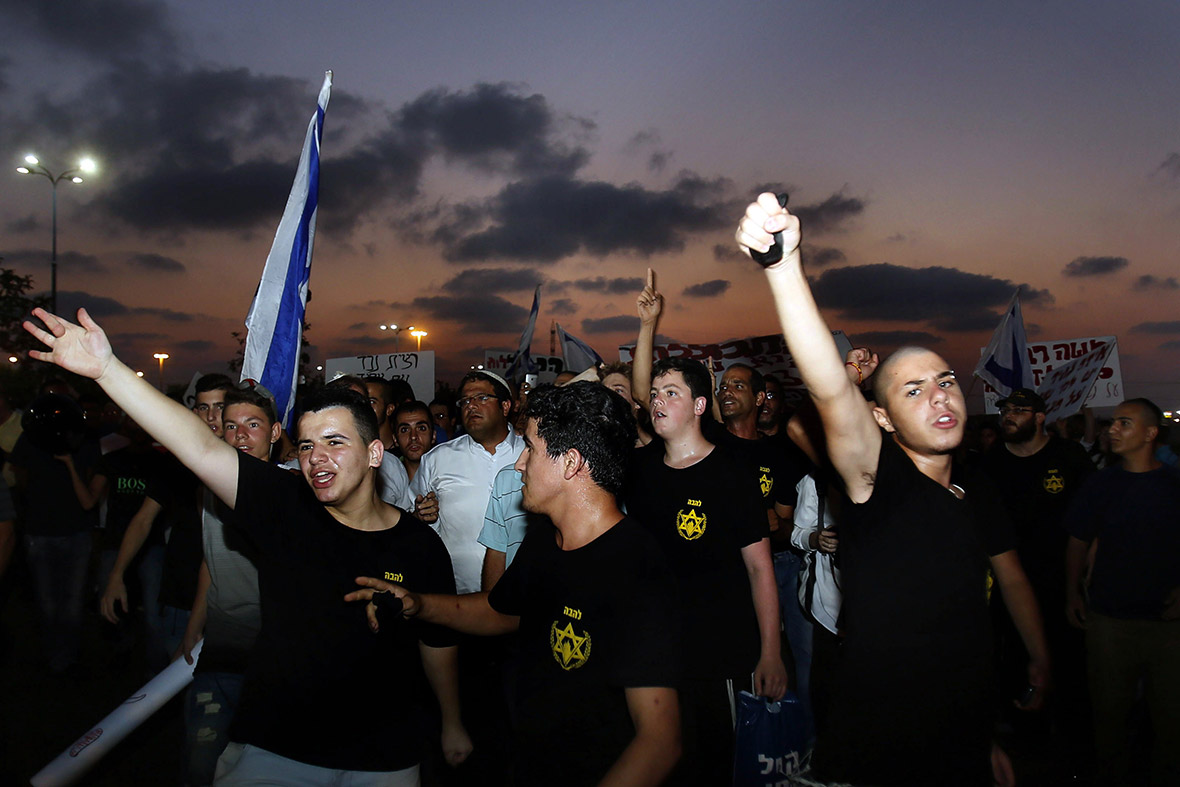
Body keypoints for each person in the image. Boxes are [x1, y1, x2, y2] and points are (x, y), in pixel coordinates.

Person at [24, 307, 468, 785]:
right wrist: (107, 370)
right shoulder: (285, 506)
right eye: (305, 444)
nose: (316, 456)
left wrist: (452, 722)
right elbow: (199, 447)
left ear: (374, 453)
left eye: (335, 442)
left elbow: (436, 643)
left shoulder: (419, 546)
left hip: (386, 756)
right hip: (276, 747)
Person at [737, 192, 1048, 786]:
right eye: (912, 389)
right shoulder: (876, 483)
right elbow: (829, 388)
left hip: (958, 740)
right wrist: (783, 270)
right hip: (883, 752)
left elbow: (963, 635)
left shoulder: (974, 493)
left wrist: (980, 738)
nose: (938, 394)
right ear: (880, 419)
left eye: (946, 380)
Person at [346, 382, 682, 787]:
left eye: (532, 449)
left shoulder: (636, 564)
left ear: (571, 463)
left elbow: (659, 741)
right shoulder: (545, 538)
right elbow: (501, 610)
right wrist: (417, 603)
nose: (520, 463)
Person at [624, 357, 787, 784]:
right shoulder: (640, 472)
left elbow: (759, 569)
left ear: (699, 406)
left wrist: (770, 652)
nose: (657, 401)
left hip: (723, 651)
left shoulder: (734, 474)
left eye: (671, 393)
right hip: (661, 653)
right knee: (673, 762)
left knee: (723, 761)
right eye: (655, 395)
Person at [1064, 398, 1180, 786]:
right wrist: (1072, 594)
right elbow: (1077, 542)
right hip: (1110, 621)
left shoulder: (1173, 485)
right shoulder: (1101, 484)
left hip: (1168, 627)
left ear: (1150, 434)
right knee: (1109, 719)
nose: (1112, 429)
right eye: (1113, 422)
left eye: (1124, 423)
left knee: (1170, 721)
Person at [176, 385, 281, 786]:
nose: (240, 435)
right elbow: (212, 559)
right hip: (219, 653)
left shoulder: (292, 490)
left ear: (274, 433)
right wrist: (192, 628)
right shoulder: (208, 487)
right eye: (231, 425)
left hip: (273, 660)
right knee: (202, 763)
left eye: (253, 425)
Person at [979, 387, 1094, 755]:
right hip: (1009, 587)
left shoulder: (1069, 456)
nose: (1008, 415)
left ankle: (1075, 747)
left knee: (1070, 665)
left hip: (1061, 583)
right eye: (1006, 409)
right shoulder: (989, 464)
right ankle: (1028, 743)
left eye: (1019, 410)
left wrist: (1084, 580)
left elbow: (1092, 522)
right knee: (1016, 663)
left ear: (1040, 417)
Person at [392, 400, 436, 485]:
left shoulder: (446, 475)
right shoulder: (387, 479)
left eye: (421, 428)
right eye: (404, 430)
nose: (413, 437)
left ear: (433, 435)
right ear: (395, 439)